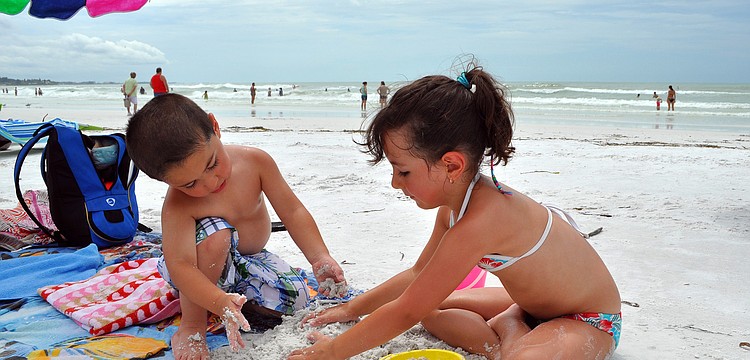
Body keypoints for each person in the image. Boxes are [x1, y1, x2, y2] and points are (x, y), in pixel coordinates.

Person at [289, 64, 621, 360]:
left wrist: (333, 351)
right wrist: (352, 308)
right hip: (527, 305)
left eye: (403, 172)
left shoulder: (482, 219)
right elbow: (418, 275)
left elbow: (405, 311)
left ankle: (509, 331)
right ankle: (512, 326)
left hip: (588, 319)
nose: (394, 183)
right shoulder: (453, 210)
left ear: (451, 165)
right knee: (430, 309)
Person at [126, 94, 347, 359]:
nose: (209, 183)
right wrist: (215, 301)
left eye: (212, 164)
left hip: (248, 260)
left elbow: (293, 211)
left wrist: (319, 257)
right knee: (218, 233)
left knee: (297, 298)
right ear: (165, 181)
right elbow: (181, 265)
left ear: (215, 127)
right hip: (195, 269)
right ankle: (193, 325)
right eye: (190, 184)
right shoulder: (178, 204)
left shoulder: (256, 163)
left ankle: (237, 302)